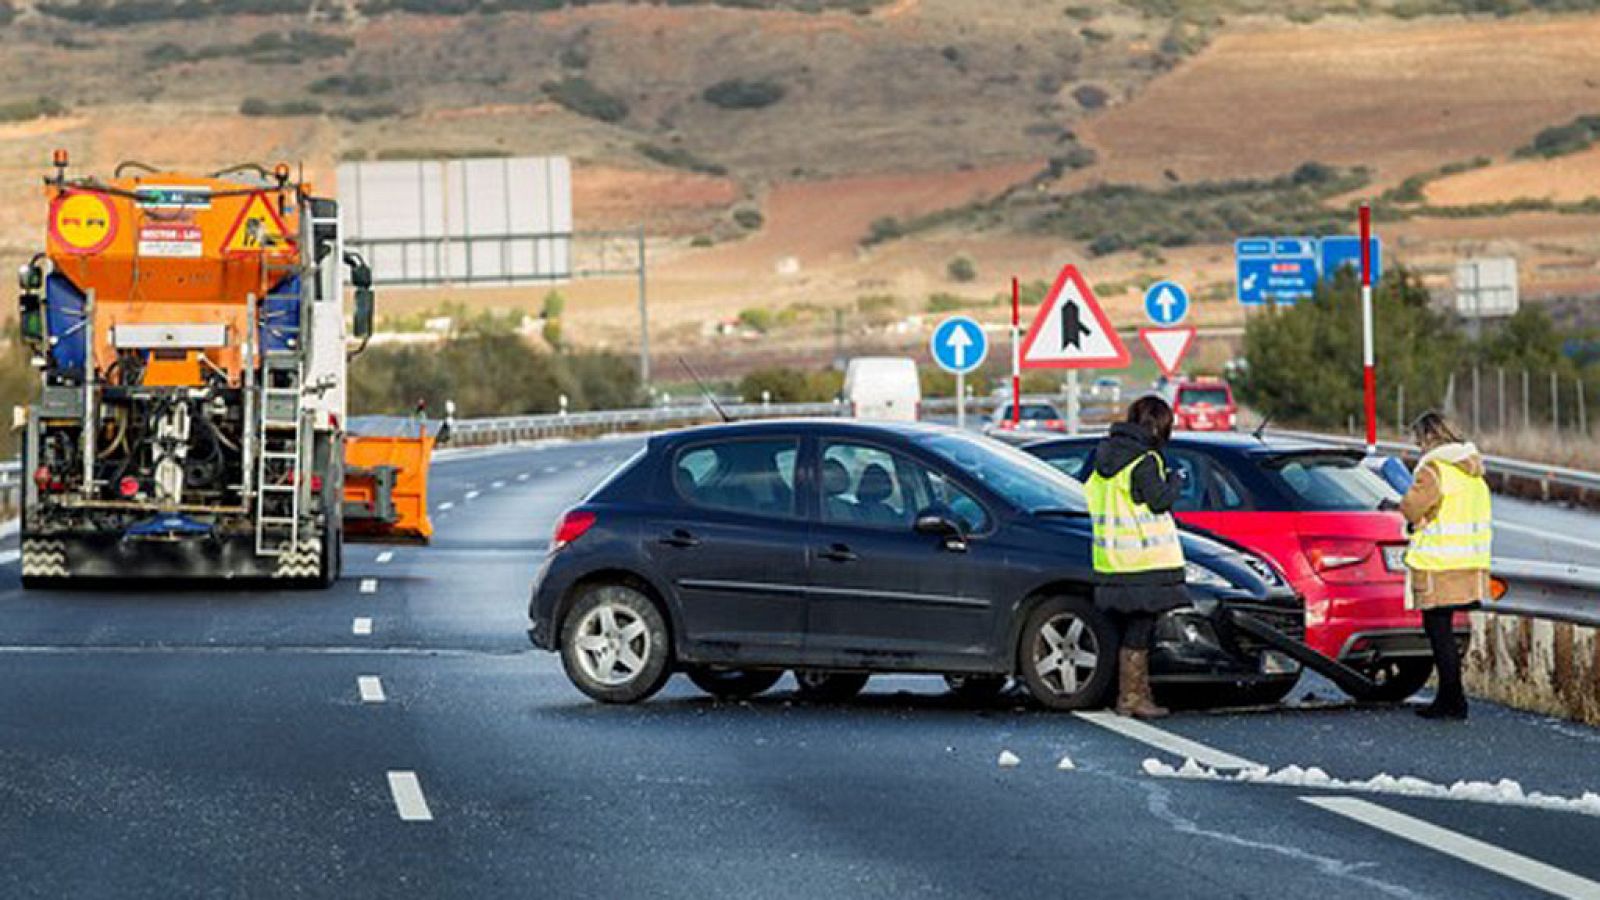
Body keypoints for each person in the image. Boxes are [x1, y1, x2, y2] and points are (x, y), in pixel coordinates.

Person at [1085, 395, 1187, 719]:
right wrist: (1176, 481)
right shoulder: (1144, 460)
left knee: (1126, 628)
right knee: (1140, 629)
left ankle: (1133, 694)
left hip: (1111, 559)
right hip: (1145, 561)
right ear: (1158, 426)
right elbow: (1159, 501)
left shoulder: (1101, 456)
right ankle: (1132, 698)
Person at [1399, 411, 1492, 721]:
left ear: (1429, 437)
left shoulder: (1434, 470)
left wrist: (1412, 514)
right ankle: (1452, 699)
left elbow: (1411, 507)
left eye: (1418, 440)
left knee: (1438, 632)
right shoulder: (1473, 473)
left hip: (1438, 564)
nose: (1418, 446)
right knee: (1446, 631)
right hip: (1469, 563)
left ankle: (1451, 700)